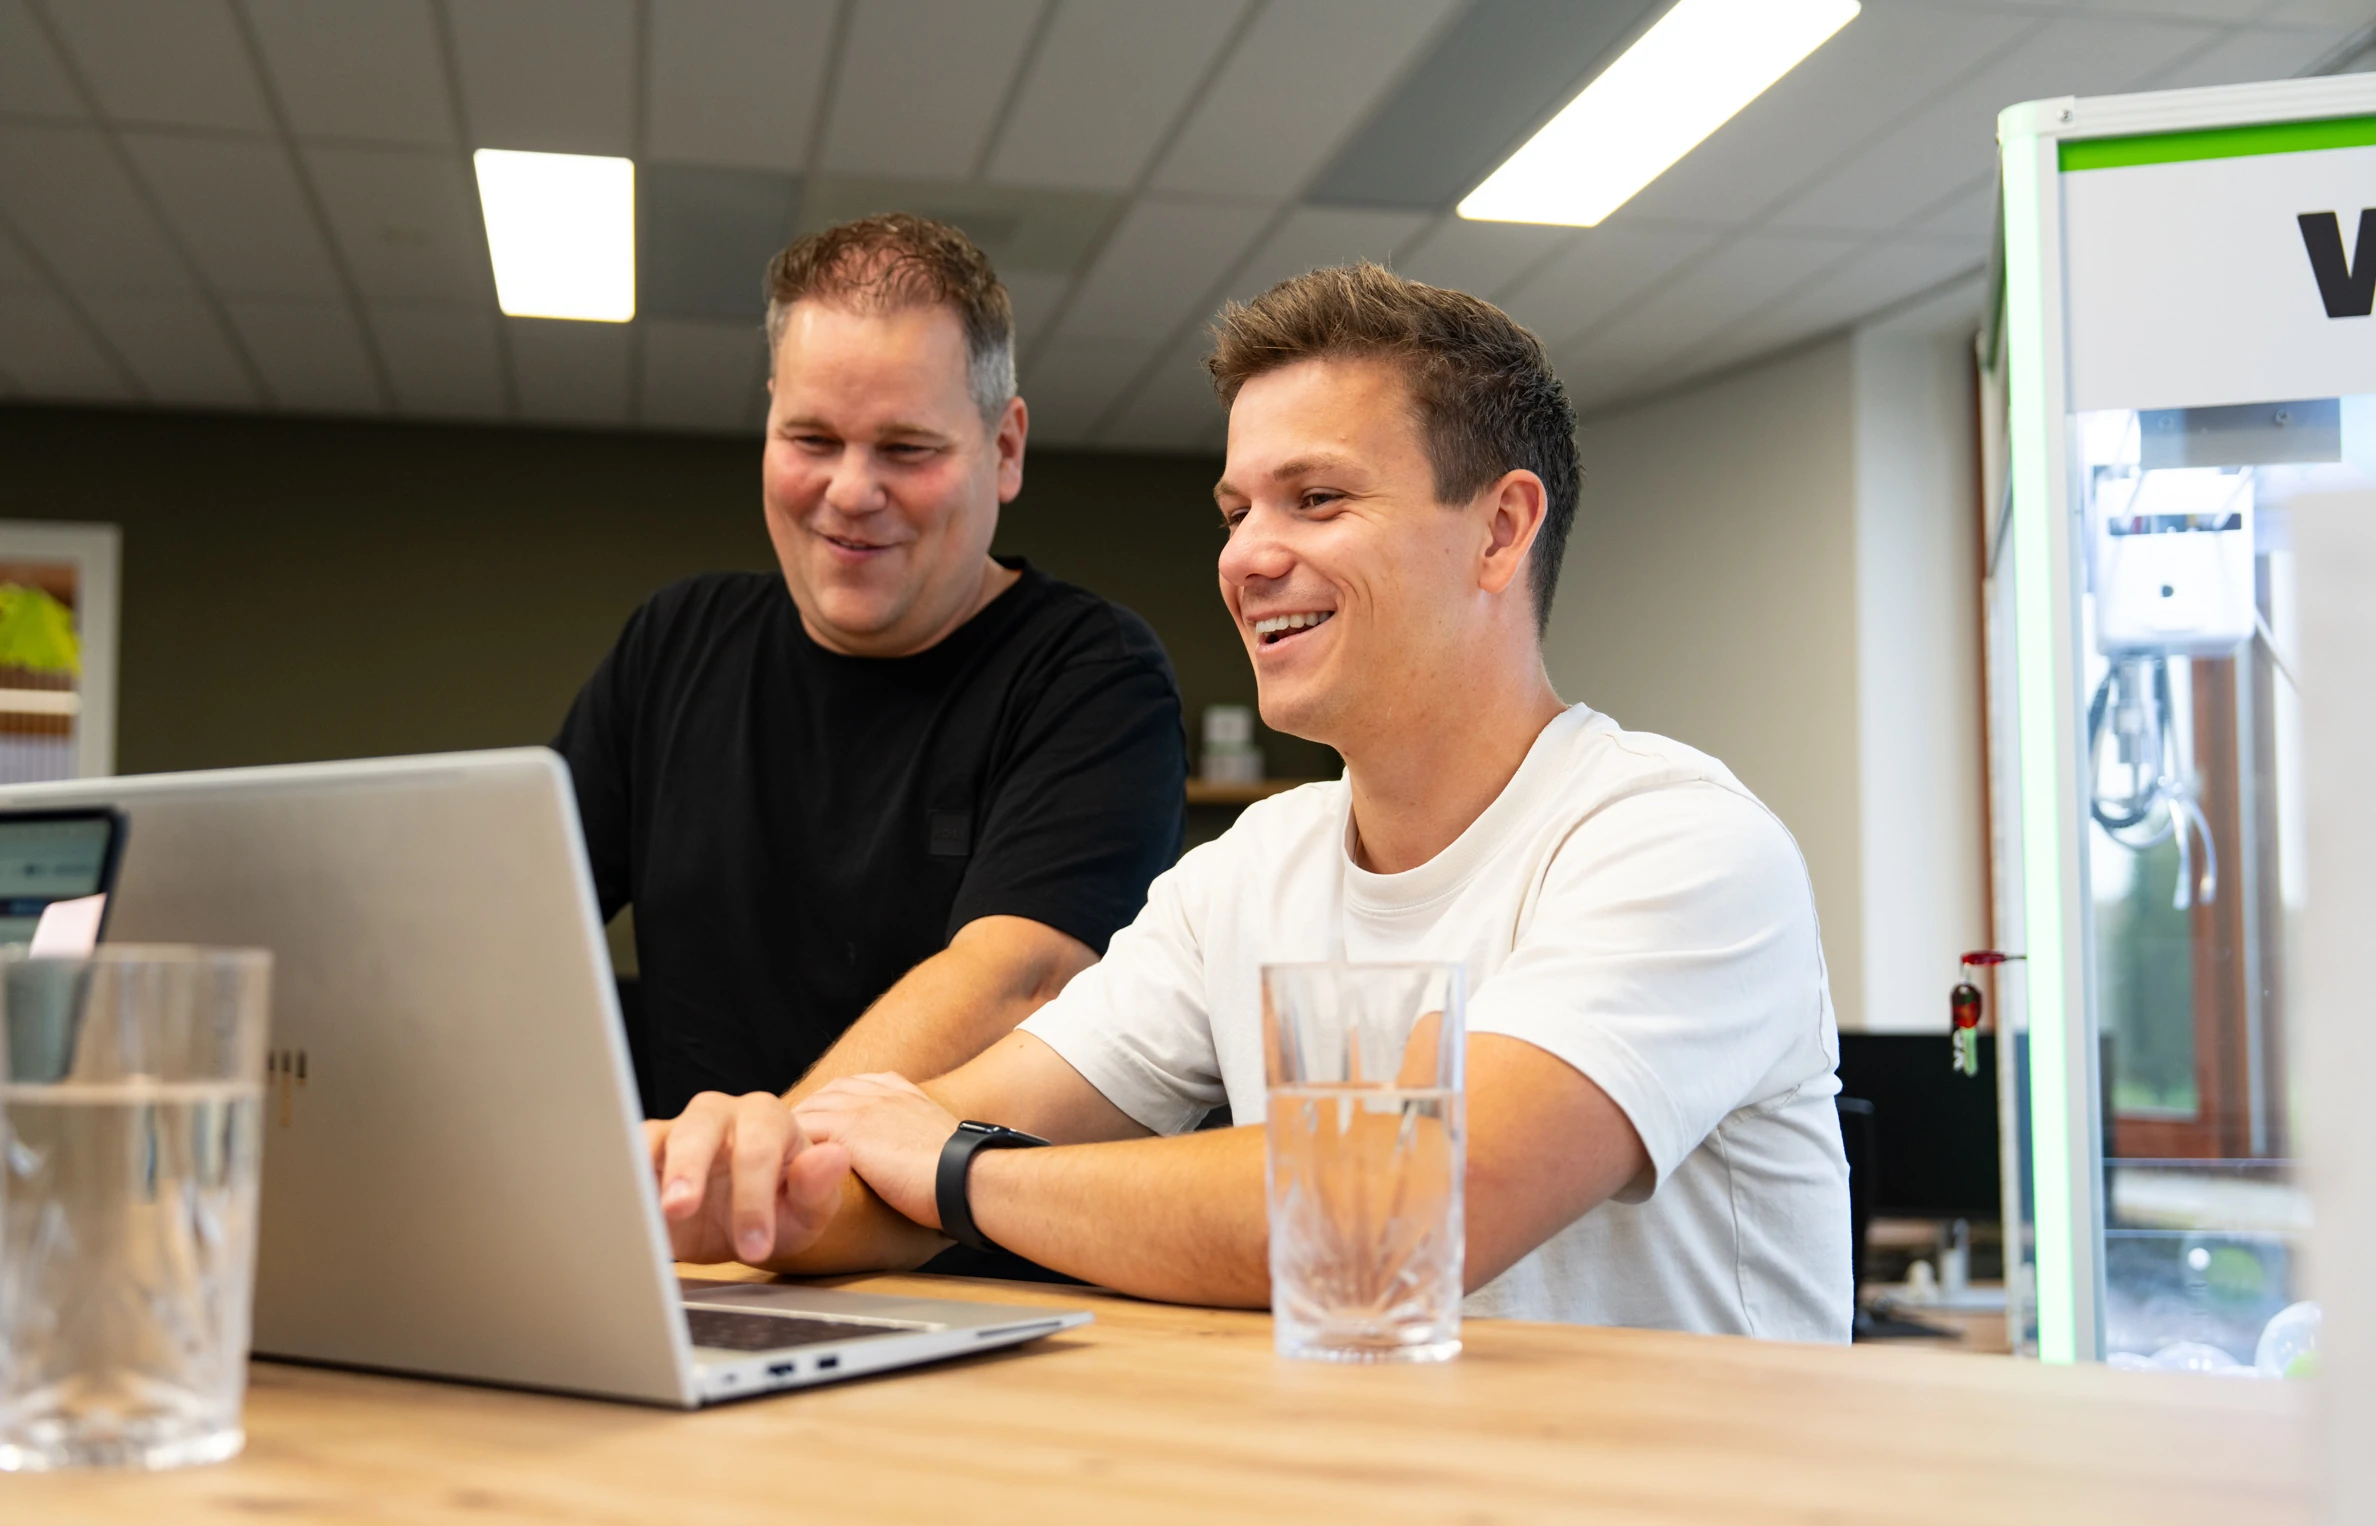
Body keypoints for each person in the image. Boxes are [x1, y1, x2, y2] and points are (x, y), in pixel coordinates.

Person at [644, 264, 1853, 1340]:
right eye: (1236, 512)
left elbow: (1392, 1217)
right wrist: (751, 1178)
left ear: (1501, 529)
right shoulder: (1248, 871)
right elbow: (892, 1162)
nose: (1245, 557)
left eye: (1316, 500)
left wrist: (956, 1170)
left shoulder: (1677, 842)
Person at [556, 214, 1186, 1122]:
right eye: (812, 439)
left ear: (1004, 451)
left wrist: (773, 1163)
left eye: (906, 449)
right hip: (709, 1252)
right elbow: (514, 923)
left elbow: (1017, 979)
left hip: (960, 1257)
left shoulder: (1091, 674)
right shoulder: (675, 643)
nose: (851, 491)